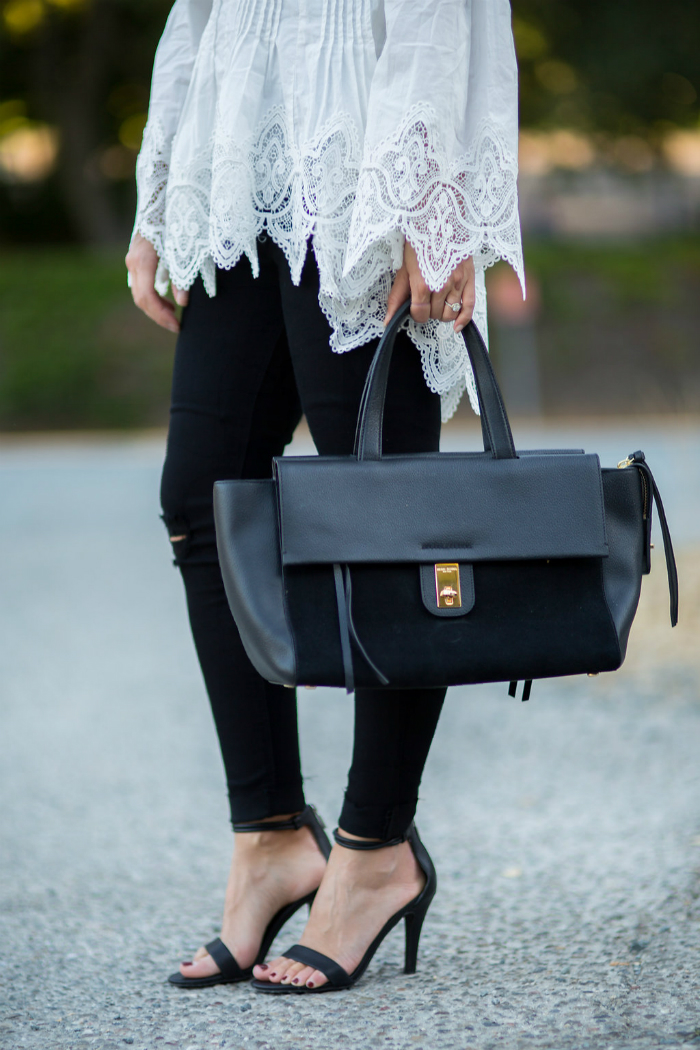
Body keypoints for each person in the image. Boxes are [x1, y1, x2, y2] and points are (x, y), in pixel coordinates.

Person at [126, 0, 524, 994]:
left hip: (365, 141)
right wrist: (161, 184)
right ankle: (269, 838)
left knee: (384, 514)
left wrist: (429, 202)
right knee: (199, 498)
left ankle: (376, 846)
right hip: (242, 140)